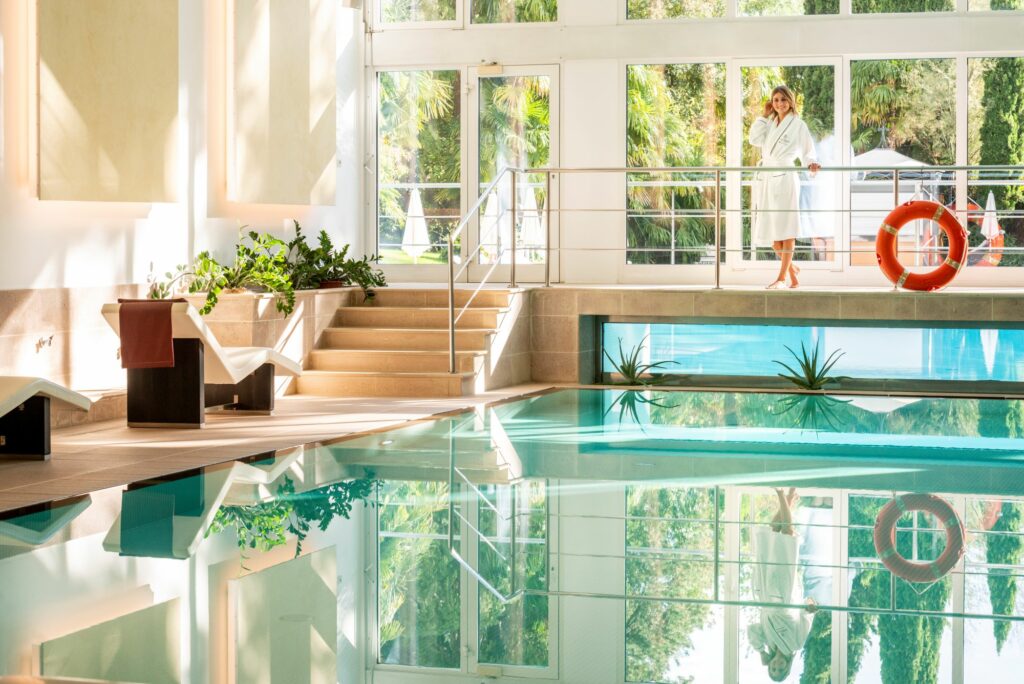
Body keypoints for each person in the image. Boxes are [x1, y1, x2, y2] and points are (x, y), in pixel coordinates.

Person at [749, 86, 821, 289]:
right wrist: (763, 116)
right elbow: (754, 139)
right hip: (768, 180)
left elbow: (808, 151)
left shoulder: (798, 125)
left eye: (783, 100)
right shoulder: (770, 123)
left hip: (786, 178)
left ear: (790, 101)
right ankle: (793, 271)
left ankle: (781, 278)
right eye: (775, 100)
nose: (779, 103)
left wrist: (812, 162)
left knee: (787, 230)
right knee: (773, 236)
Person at [748, 488, 817, 682]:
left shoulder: (767, 643)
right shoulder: (795, 644)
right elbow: (807, 618)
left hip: (764, 595)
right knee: (787, 537)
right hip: (785, 595)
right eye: (780, 670)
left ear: (769, 666)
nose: (776, 666)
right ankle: (781, 493)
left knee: (770, 533)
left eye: (772, 670)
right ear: (787, 667)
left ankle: (788, 498)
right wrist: (811, 604)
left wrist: (760, 651)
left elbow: (751, 629)